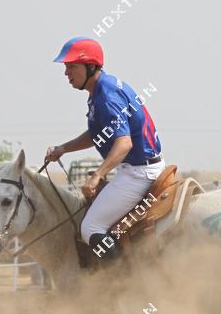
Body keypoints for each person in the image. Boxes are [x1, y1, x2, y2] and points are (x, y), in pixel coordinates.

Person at [44, 37, 163, 262]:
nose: (66, 73)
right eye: (66, 67)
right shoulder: (103, 89)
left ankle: (121, 277)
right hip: (142, 167)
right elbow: (99, 133)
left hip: (138, 174)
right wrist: (64, 148)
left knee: (90, 227)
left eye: (72, 66)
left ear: (90, 67)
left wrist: (97, 176)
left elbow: (124, 143)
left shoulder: (106, 97)